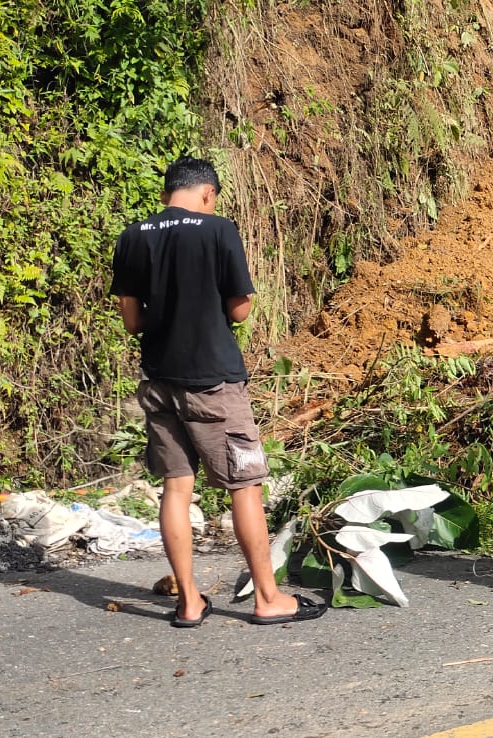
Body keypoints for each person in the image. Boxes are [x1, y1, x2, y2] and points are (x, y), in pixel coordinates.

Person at [111, 156, 325, 627]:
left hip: (159, 382)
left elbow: (132, 321)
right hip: (213, 383)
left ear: (170, 191)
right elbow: (242, 309)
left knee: (176, 487)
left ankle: (188, 601)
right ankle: (268, 598)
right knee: (245, 485)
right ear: (207, 193)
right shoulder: (218, 229)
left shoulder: (133, 236)